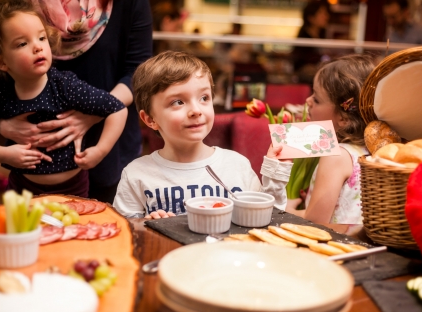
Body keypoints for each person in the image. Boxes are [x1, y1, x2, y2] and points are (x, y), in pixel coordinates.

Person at [0, 0, 153, 203]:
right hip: (27, 168)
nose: (37, 48)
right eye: (23, 43)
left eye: (42, 38)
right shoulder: (9, 7)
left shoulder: (130, 5)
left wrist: (94, 114)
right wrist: (2, 125)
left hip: (107, 152)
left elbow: (137, 72)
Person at [113, 51, 293, 219]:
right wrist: (147, 226)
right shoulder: (136, 174)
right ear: (150, 119)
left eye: (204, 98)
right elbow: (125, 235)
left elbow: (266, 219)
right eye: (178, 102)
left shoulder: (237, 166)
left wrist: (275, 176)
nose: (196, 110)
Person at [285, 54, 376, 225]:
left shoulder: (336, 156)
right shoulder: (371, 150)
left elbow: (315, 221)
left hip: (335, 247)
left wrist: (287, 209)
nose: (308, 100)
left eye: (317, 99)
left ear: (344, 118)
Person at [292, 0, 330, 84]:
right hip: (307, 81)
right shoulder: (304, 40)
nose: (326, 16)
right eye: (321, 13)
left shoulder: (322, 36)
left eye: (326, 13)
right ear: (311, 18)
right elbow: (302, 65)